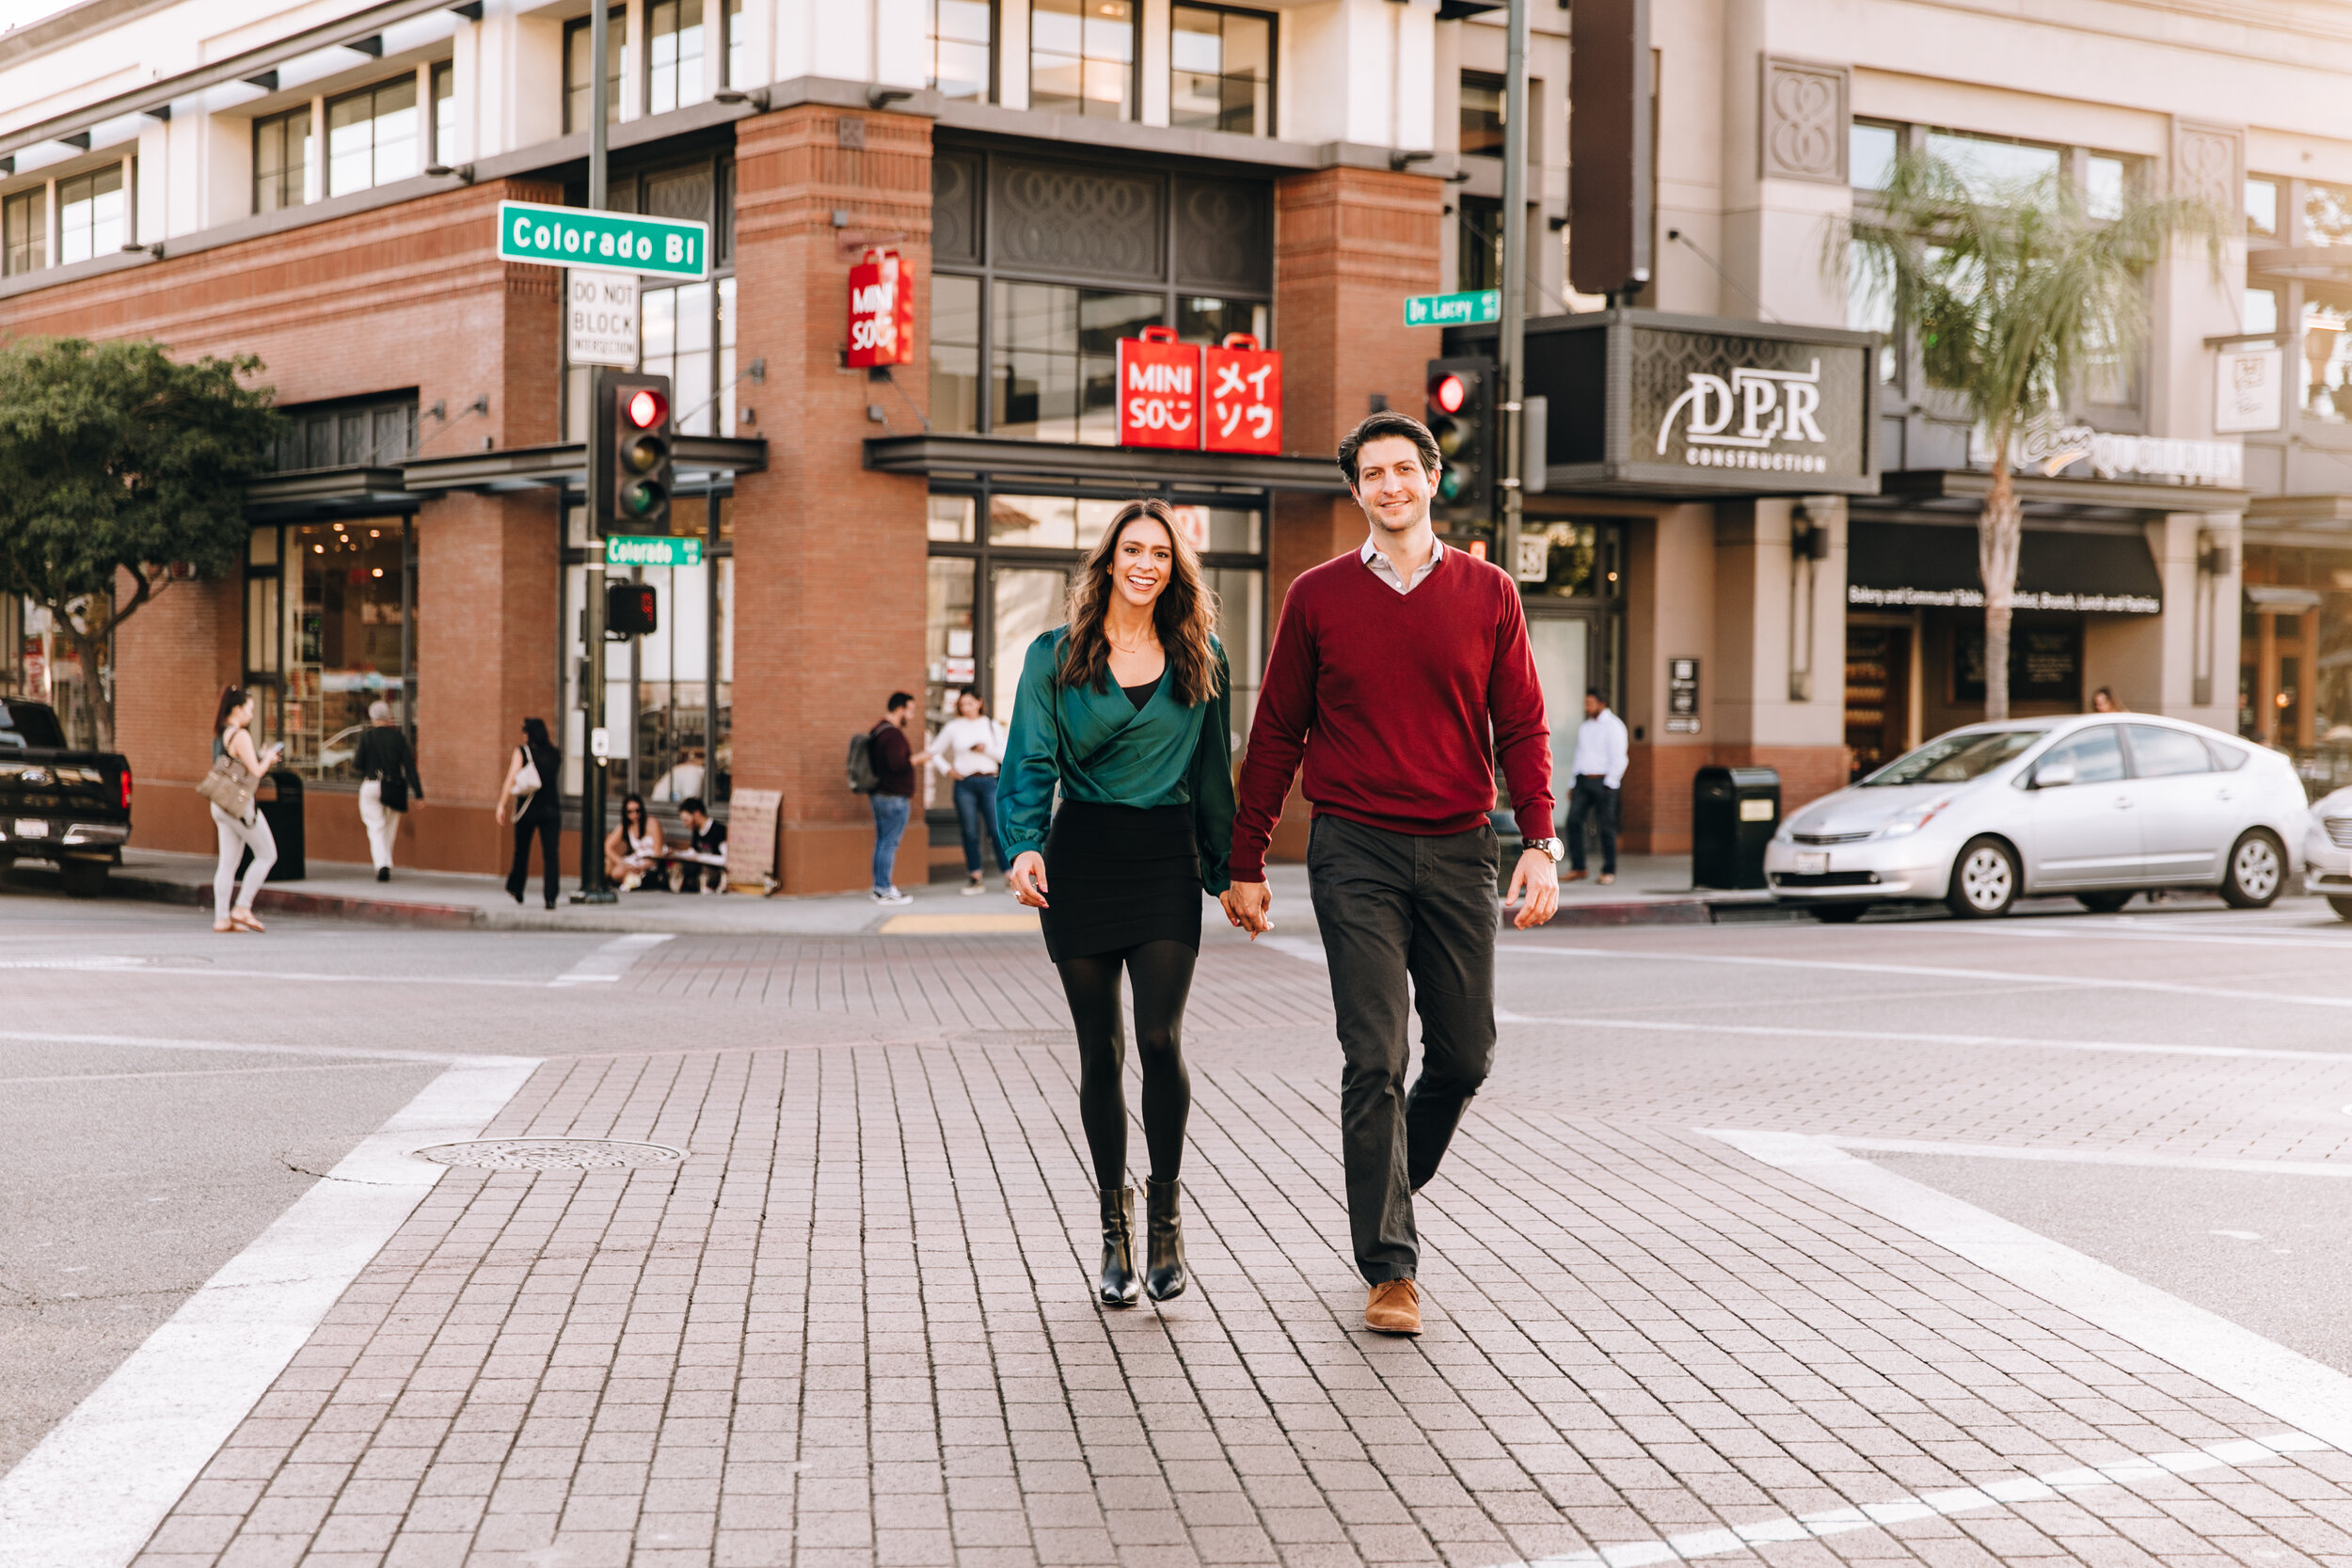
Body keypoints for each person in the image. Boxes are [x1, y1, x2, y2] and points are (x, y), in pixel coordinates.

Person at [1223, 411, 1559, 1338]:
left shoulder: (1488, 592)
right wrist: (1243, 859)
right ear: (1356, 490)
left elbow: (1522, 725)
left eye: (1403, 469)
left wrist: (1539, 837)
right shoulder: (1317, 595)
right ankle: (1389, 1265)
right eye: (1371, 473)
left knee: (1465, 1054)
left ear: (1430, 478)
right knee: (1375, 1056)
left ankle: (1385, 1174)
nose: (1389, 485)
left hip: (1459, 847)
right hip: (1354, 849)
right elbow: (1276, 732)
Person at [1000, 498, 1234, 1308]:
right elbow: (1029, 757)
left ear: (1175, 569)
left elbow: (1212, 777)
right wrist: (1024, 840)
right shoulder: (1053, 657)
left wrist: (1233, 869)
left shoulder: (1201, 656)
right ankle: (1113, 1228)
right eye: (1133, 549)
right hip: (1083, 857)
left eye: (1161, 555)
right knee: (1099, 1050)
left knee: (1161, 1037)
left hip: (1165, 856)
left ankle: (1165, 1209)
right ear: (1108, 562)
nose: (1146, 564)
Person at [209, 688, 281, 934]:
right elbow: (257, 772)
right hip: (240, 806)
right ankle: (242, 907)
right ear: (237, 709)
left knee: (227, 864)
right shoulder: (240, 735)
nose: (251, 715)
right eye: (250, 709)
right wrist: (268, 758)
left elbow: (241, 765)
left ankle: (221, 918)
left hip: (220, 803)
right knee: (267, 854)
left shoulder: (221, 734)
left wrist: (258, 757)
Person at [922, 689, 1008, 895]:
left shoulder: (991, 725)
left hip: (989, 781)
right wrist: (948, 770)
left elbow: (1005, 755)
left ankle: (1010, 875)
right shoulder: (953, 727)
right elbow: (934, 752)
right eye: (962, 705)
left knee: (996, 830)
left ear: (979, 702)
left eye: (969, 703)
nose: (965, 708)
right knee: (970, 831)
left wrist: (985, 748)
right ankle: (975, 877)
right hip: (965, 784)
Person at [496, 717, 564, 910]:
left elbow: (510, 779)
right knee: (551, 855)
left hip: (528, 808)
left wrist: (501, 804)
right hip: (551, 809)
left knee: (521, 851)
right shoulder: (555, 754)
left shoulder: (522, 752)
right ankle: (550, 897)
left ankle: (516, 888)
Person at [1563, 689, 1629, 886]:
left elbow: (1620, 758)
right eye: (1585, 703)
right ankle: (1578, 867)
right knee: (1573, 821)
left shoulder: (1614, 726)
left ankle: (1609, 870)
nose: (1586, 707)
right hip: (1583, 781)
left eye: (1590, 703)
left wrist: (1610, 783)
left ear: (1601, 703)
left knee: (1606, 827)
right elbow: (1580, 755)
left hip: (1604, 782)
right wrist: (1573, 783)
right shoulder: (1585, 727)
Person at [354, 700, 422, 883]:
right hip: (393, 787)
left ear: (372, 717)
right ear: (389, 717)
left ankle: (382, 865)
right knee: (389, 828)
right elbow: (409, 767)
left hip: (371, 784)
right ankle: (385, 863)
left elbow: (357, 764)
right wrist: (418, 793)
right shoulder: (398, 738)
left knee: (376, 827)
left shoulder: (366, 738)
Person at [867, 692, 917, 905]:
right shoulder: (893, 735)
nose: (912, 716)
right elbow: (898, 765)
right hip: (894, 798)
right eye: (910, 711)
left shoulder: (878, 730)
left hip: (879, 795)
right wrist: (917, 759)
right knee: (888, 844)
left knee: (882, 842)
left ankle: (879, 887)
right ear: (900, 709)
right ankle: (884, 889)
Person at [605, 792, 667, 891]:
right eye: (630, 812)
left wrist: (642, 867)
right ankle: (629, 879)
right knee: (616, 873)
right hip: (636, 860)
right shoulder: (626, 826)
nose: (634, 815)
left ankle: (632, 880)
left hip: (652, 862)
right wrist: (621, 862)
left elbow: (658, 852)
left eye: (637, 811)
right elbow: (608, 846)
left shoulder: (652, 823)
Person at [669, 796, 728, 892]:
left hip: (715, 877)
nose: (685, 824)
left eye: (686, 820)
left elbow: (726, 860)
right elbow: (693, 853)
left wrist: (700, 858)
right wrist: (675, 853)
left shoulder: (719, 831)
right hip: (700, 876)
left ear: (697, 814)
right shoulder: (697, 831)